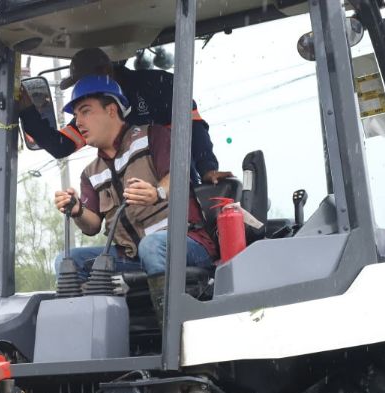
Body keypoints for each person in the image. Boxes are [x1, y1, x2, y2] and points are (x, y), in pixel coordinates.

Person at [54, 75, 216, 322]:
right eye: (76, 116)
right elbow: (93, 225)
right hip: (132, 257)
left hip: (187, 243)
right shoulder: (90, 173)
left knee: (151, 246)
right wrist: (76, 210)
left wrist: (157, 192)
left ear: (111, 110)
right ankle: (90, 337)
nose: (79, 122)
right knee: (68, 261)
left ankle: (173, 331)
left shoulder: (153, 136)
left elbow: (179, 174)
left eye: (85, 112)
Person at [20, 47, 232, 184]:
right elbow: (60, 145)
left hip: (176, 193)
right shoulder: (94, 113)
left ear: (105, 71)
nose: (81, 90)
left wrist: (208, 169)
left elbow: (192, 128)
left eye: (84, 81)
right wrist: (26, 110)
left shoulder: (160, 86)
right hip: (131, 205)